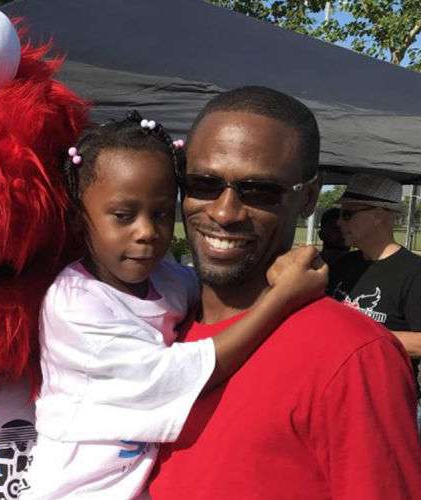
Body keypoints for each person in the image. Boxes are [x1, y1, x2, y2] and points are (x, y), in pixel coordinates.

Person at [23, 114, 326, 499]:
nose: (147, 232)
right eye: (123, 216)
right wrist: (280, 298)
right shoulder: (77, 303)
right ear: (78, 216)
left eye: (163, 213)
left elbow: (220, 292)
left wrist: (277, 270)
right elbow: (180, 374)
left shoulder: (165, 279)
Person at [149, 86, 421, 499]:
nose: (223, 212)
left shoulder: (353, 357)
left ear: (309, 196)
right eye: (202, 183)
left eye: (260, 191)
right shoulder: (145, 324)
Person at [329, 173, 421, 394]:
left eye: (348, 214)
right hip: (340, 393)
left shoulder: (414, 271)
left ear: (378, 215)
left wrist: (359, 339)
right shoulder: (345, 264)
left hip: (385, 399)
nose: (339, 221)